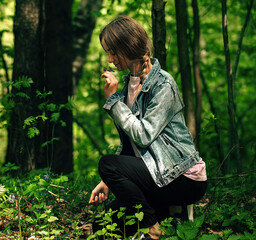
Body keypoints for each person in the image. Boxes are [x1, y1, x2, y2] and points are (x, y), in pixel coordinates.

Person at [88, 16, 207, 239]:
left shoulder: (163, 84)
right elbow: (130, 145)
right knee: (101, 227)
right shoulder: (127, 86)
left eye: (113, 52)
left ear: (129, 47)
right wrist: (107, 181)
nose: (110, 59)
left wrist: (114, 102)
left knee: (107, 163)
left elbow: (143, 135)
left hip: (183, 179)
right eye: (108, 52)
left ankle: (152, 226)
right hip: (155, 176)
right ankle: (165, 212)